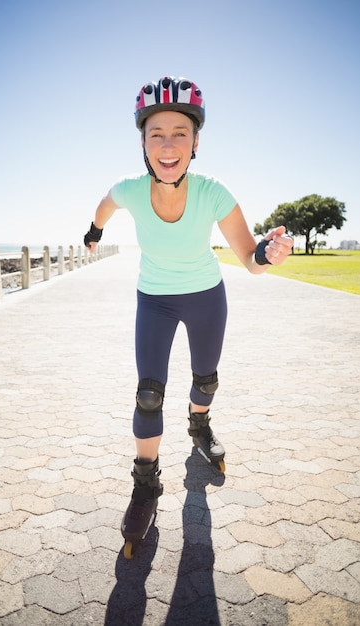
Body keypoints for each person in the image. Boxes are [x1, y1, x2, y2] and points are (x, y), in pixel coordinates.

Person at [84, 76, 293, 557]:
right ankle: (145, 483)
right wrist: (92, 230)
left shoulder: (213, 192)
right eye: (156, 133)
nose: (168, 144)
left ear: (196, 141)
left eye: (180, 132)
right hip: (154, 298)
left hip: (205, 295)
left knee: (206, 380)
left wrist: (270, 253)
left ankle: (199, 426)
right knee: (148, 394)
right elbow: (103, 206)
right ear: (142, 142)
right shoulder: (131, 189)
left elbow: (249, 255)